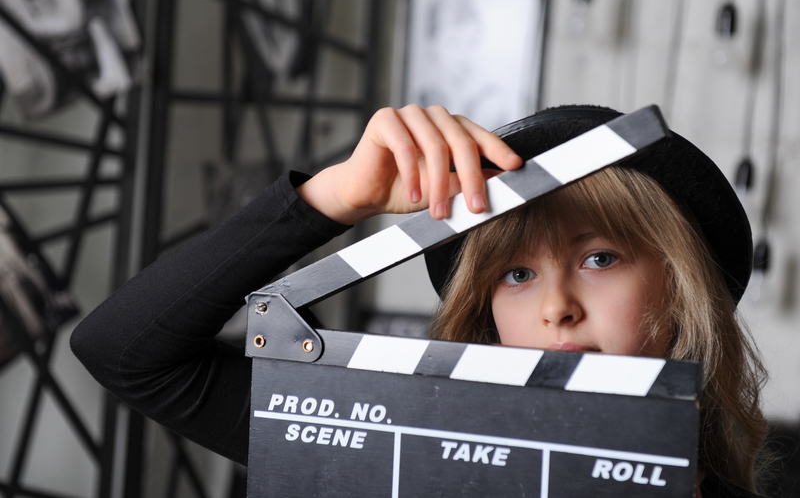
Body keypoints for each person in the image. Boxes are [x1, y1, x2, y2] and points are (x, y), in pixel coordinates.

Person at [70, 104, 768, 497]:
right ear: (485, 311)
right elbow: (124, 352)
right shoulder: (396, 441)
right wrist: (335, 197)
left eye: (600, 258)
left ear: (680, 290)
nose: (556, 306)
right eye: (515, 274)